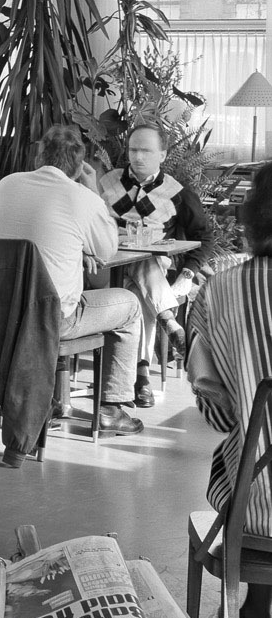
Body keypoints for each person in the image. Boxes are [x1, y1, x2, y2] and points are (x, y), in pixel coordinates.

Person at [0, 123, 144, 436]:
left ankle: (51, 399)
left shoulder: (6, 184)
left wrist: (75, 248)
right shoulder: (83, 197)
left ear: (39, 157)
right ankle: (111, 408)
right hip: (50, 318)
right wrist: (93, 190)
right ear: (79, 167)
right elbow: (107, 250)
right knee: (130, 305)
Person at [187, 162, 272, 618]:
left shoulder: (218, 293)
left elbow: (219, 416)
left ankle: (256, 612)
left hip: (256, 510)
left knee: (248, 460)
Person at [99, 122, 213, 409]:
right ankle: (167, 322)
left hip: (148, 273)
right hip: (104, 269)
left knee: (139, 284)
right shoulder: (106, 183)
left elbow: (205, 238)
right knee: (142, 268)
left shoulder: (178, 193)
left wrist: (187, 273)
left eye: (146, 151)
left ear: (163, 155)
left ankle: (139, 376)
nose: (137, 156)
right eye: (133, 150)